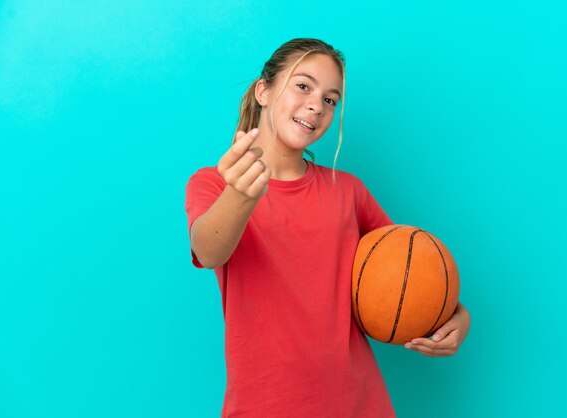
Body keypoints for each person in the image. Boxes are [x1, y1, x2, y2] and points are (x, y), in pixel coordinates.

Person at [185, 38, 471, 417]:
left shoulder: (348, 192)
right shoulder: (215, 183)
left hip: (358, 404)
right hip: (263, 407)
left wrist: (456, 315)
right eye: (303, 85)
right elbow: (208, 250)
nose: (316, 105)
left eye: (330, 99)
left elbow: (409, 268)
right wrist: (241, 194)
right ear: (264, 91)